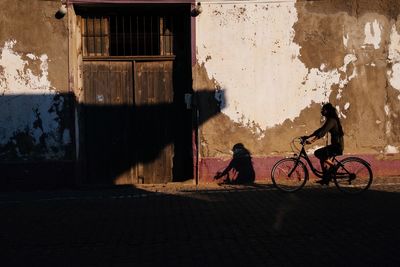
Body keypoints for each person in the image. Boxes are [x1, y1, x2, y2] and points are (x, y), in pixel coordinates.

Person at [301, 103, 344, 185]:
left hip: (337, 146)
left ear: (327, 111)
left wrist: (312, 141)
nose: (321, 111)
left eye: (323, 109)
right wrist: (308, 136)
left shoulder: (332, 120)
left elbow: (322, 132)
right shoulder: (330, 119)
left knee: (317, 153)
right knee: (322, 158)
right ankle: (326, 178)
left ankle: (334, 166)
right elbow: (320, 130)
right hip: (335, 145)